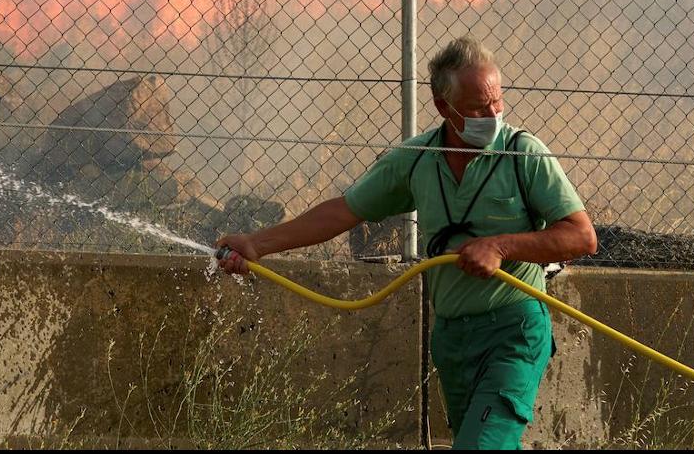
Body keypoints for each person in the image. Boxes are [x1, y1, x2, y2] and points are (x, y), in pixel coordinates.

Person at [216, 36, 597, 449]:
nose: (492, 116)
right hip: (452, 338)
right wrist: (257, 244)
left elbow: (581, 236)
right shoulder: (415, 160)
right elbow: (343, 211)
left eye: (497, 103)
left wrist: (501, 246)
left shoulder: (524, 154)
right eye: (475, 109)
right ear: (442, 107)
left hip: (514, 329)